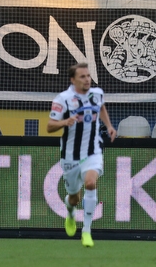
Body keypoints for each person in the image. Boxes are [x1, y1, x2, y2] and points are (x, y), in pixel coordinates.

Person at [47, 62, 117, 248]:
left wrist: (109, 126)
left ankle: (86, 231)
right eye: (82, 77)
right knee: (74, 197)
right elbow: (49, 126)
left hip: (93, 150)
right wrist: (64, 122)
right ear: (73, 80)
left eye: (88, 76)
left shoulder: (97, 93)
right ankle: (70, 211)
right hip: (70, 156)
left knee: (91, 183)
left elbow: (101, 107)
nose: (87, 80)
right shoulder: (63, 99)